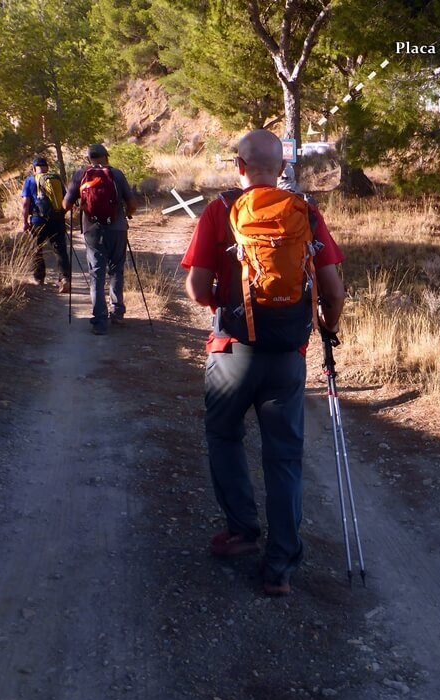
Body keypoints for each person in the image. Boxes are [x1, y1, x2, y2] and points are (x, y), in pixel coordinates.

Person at [181, 129, 346, 596]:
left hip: (232, 352)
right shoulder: (306, 213)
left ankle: (241, 533)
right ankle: (280, 565)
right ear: (283, 168)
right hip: (288, 357)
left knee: (224, 435)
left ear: (239, 166)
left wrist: (225, 306)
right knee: (284, 457)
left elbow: (196, 290)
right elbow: (333, 291)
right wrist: (327, 328)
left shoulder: (219, 210)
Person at [62, 143, 139, 335]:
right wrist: (126, 213)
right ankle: (117, 312)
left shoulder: (80, 175)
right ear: (106, 157)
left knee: (96, 274)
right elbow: (132, 204)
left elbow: (65, 204)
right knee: (116, 270)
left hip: (92, 230)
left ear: (89, 159)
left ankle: (99, 322)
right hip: (118, 229)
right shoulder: (117, 174)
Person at [20, 156, 70, 292]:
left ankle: (38, 278)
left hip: (38, 220)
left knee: (37, 249)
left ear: (33, 168)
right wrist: (61, 215)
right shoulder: (57, 179)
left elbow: (25, 203)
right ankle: (65, 279)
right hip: (57, 220)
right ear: (47, 167)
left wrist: (24, 222)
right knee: (60, 250)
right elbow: (66, 201)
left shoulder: (30, 180)